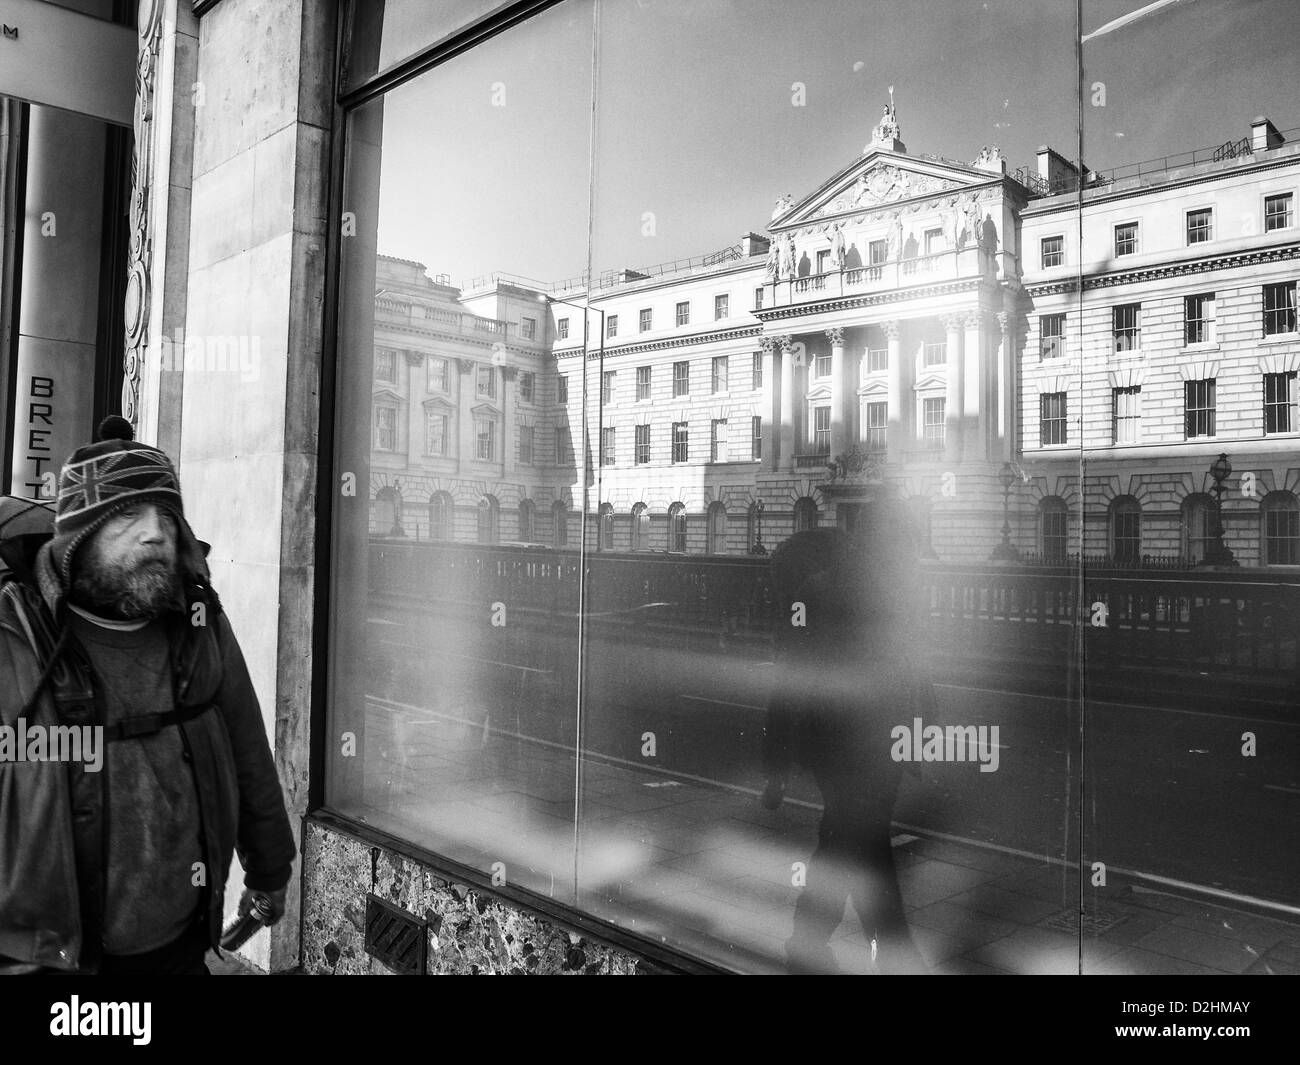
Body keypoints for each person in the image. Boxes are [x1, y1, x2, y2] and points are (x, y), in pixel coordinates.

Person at [0, 416, 296, 974]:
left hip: (181, 946)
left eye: (166, 516)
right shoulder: (13, 633)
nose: (156, 532)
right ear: (77, 540)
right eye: (128, 515)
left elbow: (247, 749)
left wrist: (270, 873)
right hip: (44, 958)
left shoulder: (200, 623)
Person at [761, 514, 930, 974]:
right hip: (870, 743)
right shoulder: (883, 592)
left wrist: (776, 766)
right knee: (858, 840)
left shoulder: (820, 594)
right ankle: (885, 950)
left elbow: (788, 683)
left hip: (843, 745)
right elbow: (915, 670)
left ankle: (815, 945)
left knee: (850, 841)